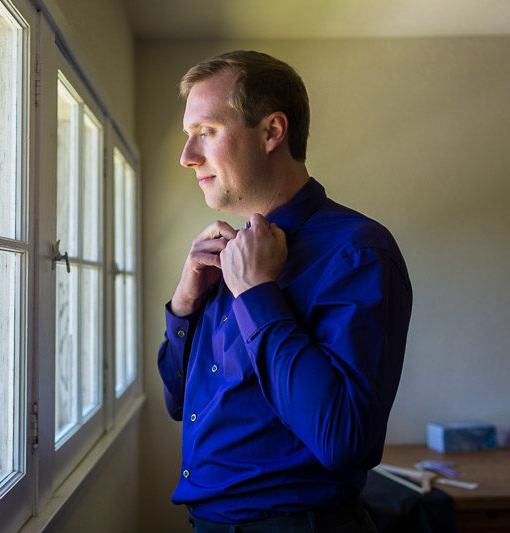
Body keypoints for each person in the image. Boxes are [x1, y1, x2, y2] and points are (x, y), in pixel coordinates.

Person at [157, 50, 412, 533]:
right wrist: (183, 308)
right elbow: (178, 402)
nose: (187, 157)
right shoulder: (228, 255)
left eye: (206, 132)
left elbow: (341, 438)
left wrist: (258, 294)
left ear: (272, 131)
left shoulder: (358, 252)